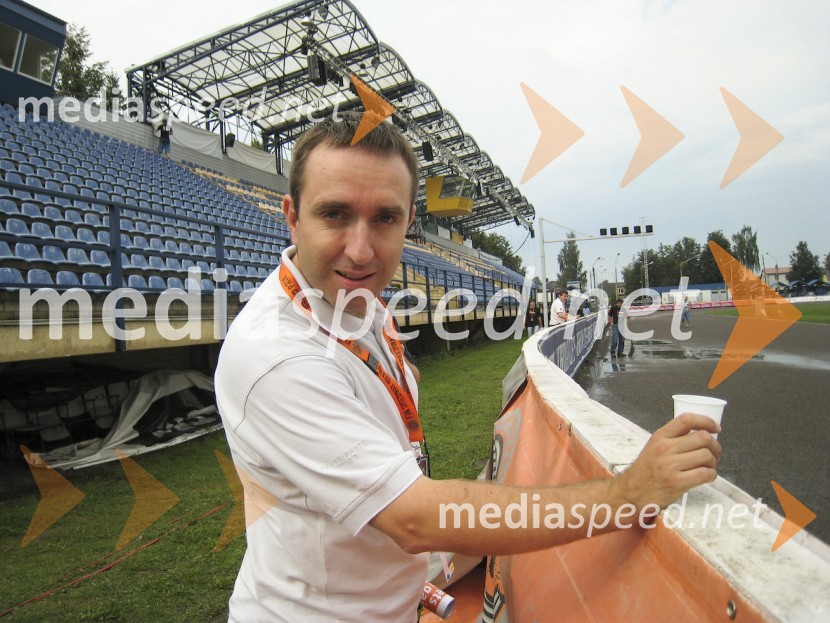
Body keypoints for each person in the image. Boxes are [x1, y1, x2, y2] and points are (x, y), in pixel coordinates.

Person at [214, 113, 721, 621]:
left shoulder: (350, 299)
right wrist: (626, 493)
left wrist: (412, 585)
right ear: (291, 216)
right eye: (335, 214)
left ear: (409, 222)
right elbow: (415, 519)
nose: (361, 250)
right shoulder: (277, 355)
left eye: (385, 218)